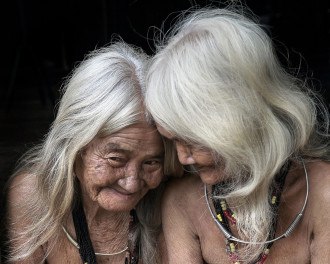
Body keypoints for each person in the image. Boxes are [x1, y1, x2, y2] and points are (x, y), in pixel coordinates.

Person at [145, 6, 330, 264]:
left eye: (193, 140)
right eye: (174, 139)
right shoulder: (182, 202)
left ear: (241, 118)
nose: (183, 157)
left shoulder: (322, 192)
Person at [4, 41, 173, 264]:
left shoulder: (172, 202)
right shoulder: (33, 197)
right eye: (115, 159)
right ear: (75, 146)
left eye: (151, 162)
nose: (132, 183)